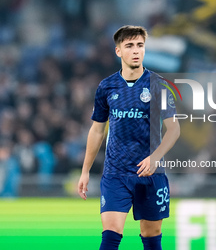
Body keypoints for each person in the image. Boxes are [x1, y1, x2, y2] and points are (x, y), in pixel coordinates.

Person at [77, 25, 180, 250]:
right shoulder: (106, 87)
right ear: (118, 51)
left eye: (140, 46)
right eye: (130, 46)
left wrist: (155, 157)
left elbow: (174, 129)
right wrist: (85, 170)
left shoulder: (158, 85)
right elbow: (97, 130)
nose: (136, 51)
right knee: (110, 236)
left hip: (151, 173)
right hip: (116, 173)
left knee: (151, 238)